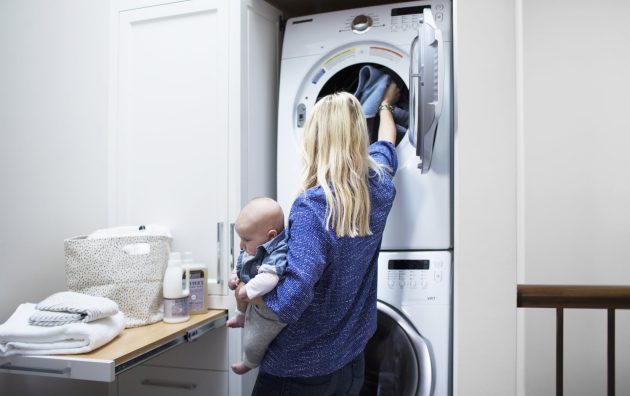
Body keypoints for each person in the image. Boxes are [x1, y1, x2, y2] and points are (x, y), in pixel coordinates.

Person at [240, 83, 400, 395]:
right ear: (358, 137)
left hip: (299, 369)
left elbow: (293, 297)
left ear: (315, 139)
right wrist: (386, 105)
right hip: (352, 361)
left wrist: (248, 295)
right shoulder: (380, 185)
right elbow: (387, 143)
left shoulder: (313, 206)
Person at [226, 197, 288, 375]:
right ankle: (240, 315)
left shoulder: (278, 252)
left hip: (269, 314)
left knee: (253, 342)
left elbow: (270, 278)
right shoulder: (252, 246)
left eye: (246, 239)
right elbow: (242, 265)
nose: (241, 244)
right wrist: (234, 277)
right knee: (240, 291)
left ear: (271, 236)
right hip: (252, 301)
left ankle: (249, 362)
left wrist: (248, 289)